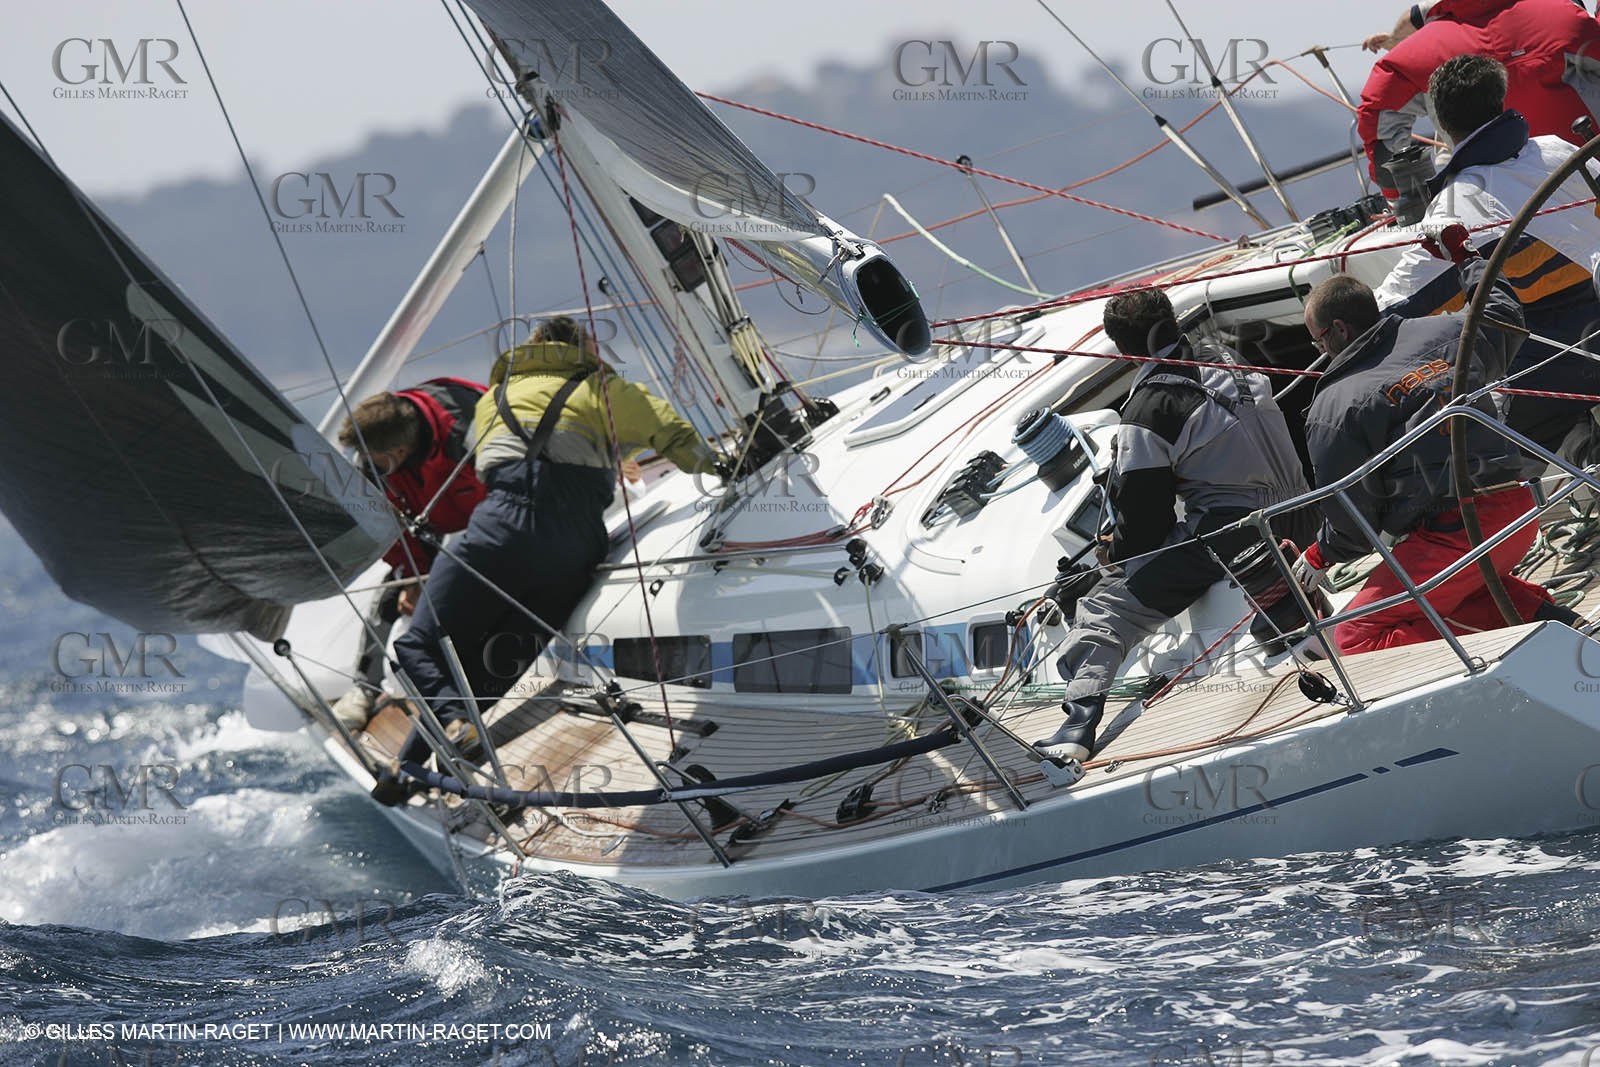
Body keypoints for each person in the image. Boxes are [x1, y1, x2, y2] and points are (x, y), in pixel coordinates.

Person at [373, 316, 714, 802]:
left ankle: (436, 740)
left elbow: (483, 462)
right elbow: (674, 433)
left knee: (420, 647)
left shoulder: (493, 400)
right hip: (577, 549)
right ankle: (407, 765)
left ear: (533, 350)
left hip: (501, 534)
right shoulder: (606, 390)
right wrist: (724, 469)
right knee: (499, 660)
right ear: (583, 349)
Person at [1032, 290, 1314, 764]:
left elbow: (1144, 528)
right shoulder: (1227, 360)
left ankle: (1078, 724)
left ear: (1122, 349)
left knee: (1105, 604)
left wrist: (1112, 551)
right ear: (1169, 320)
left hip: (1239, 534)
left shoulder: (1148, 410)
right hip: (1307, 509)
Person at [1297, 246, 1577, 655]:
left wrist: (1322, 554)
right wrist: (1466, 258)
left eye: (1317, 342)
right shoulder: (1445, 331)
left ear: (1338, 329)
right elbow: (1504, 315)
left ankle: (1490, 678)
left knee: (1355, 636)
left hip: (1456, 532)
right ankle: (1561, 627)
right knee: (1463, 591)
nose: (1321, 353)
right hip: (1518, 509)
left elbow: (1353, 519)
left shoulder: (1335, 408)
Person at [1376, 53, 1600, 457]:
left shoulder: (1458, 203)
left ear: (1441, 124)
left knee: (1499, 458)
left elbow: (1401, 304)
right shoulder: (1558, 148)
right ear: (1500, 101)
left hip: (1564, 360)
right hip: (1591, 326)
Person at [330, 377, 488, 730]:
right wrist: (414, 577)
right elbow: (388, 528)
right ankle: (363, 688)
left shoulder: (466, 423)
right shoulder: (373, 464)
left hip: (493, 522)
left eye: (371, 458)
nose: (363, 463)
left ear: (399, 452)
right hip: (428, 526)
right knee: (396, 589)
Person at [1358, 0, 1600, 195]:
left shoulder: (1408, 58)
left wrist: (1407, 200)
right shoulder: (1565, 18)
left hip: (1496, 209)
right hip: (1590, 178)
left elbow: (1378, 124)